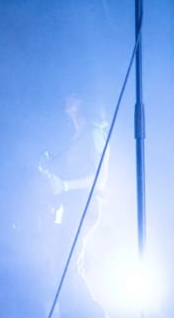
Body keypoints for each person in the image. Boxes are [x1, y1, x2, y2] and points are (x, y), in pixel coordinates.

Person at [37, 93, 110, 318]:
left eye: (74, 96)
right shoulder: (74, 138)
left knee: (67, 264)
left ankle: (96, 314)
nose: (67, 99)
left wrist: (66, 186)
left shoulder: (95, 133)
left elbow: (100, 178)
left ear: (83, 103)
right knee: (61, 265)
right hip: (72, 207)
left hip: (86, 205)